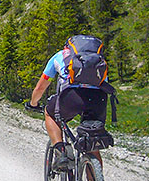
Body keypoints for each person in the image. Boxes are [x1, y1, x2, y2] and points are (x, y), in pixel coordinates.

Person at [26, 37, 109, 169]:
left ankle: (61, 152)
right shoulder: (98, 61)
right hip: (98, 98)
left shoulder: (60, 56)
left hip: (72, 96)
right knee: (91, 141)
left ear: (68, 47)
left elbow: (40, 88)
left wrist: (33, 103)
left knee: (50, 113)